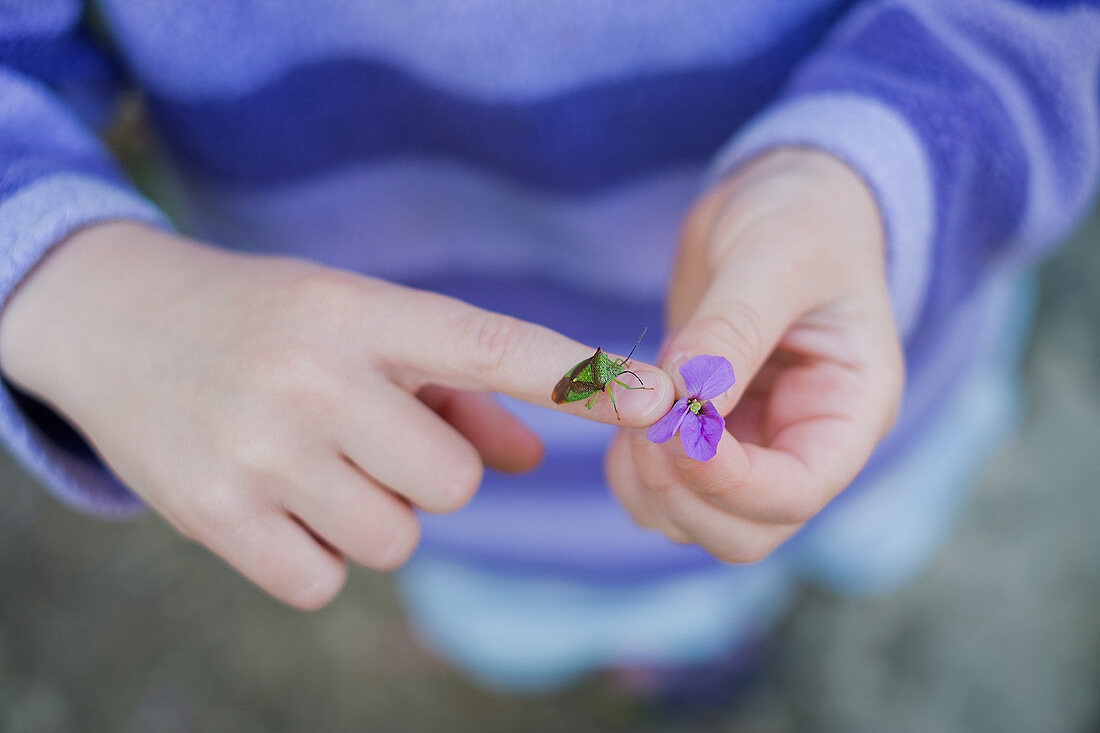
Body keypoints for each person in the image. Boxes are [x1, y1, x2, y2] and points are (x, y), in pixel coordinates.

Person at [1, 0, 1097, 693]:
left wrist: (864, 174)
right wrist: (70, 282)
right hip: (455, 470)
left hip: (852, 359)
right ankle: (678, 657)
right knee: (533, 616)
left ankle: (712, 638)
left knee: (843, 527)